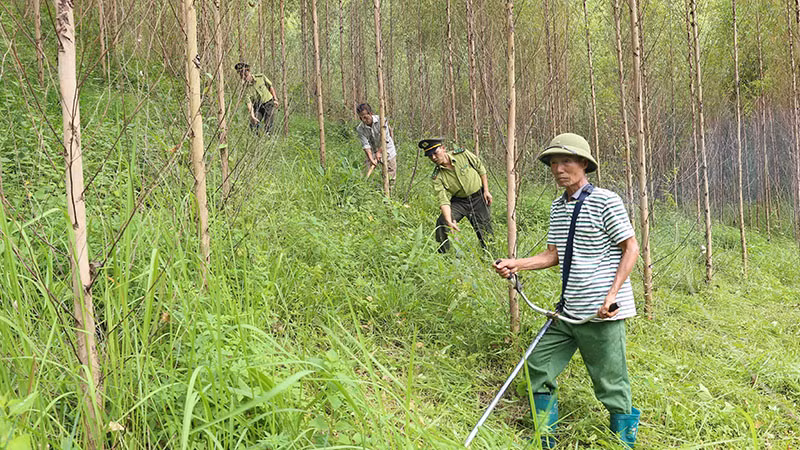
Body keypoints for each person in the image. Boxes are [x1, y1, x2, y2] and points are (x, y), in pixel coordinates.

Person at [492, 133, 640, 448]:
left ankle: (623, 442)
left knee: (610, 383)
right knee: (538, 365)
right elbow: (553, 254)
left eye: (566, 161)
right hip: (568, 310)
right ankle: (545, 437)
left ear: (584, 164)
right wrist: (516, 263)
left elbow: (631, 248)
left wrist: (611, 296)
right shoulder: (558, 207)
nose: (559, 169)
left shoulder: (606, 201)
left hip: (601, 313)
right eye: (554, 163)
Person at [419, 138, 493, 253]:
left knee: (485, 232)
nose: (433, 158)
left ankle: (490, 256)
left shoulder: (462, 154)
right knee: (442, 221)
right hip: (459, 202)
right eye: (429, 156)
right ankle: (444, 255)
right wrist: (449, 221)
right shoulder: (436, 176)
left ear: (443, 149)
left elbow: (480, 168)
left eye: (435, 153)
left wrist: (486, 191)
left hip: (478, 197)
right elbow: (443, 200)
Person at [355, 103, 397, 184]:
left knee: (390, 174)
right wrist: (371, 158)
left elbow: (385, 138)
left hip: (388, 149)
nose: (363, 120)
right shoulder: (360, 129)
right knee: (365, 170)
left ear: (371, 114)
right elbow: (365, 145)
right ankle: (365, 187)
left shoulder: (382, 120)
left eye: (365, 117)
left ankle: (389, 193)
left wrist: (379, 152)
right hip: (373, 151)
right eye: (361, 118)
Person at [235, 62, 278, 135]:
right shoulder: (245, 88)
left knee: (268, 125)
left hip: (268, 103)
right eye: (242, 75)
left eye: (245, 74)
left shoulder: (261, 77)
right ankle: (255, 139)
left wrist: (275, 99)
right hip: (257, 106)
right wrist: (252, 115)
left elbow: (270, 86)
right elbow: (249, 103)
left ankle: (268, 138)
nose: (245, 77)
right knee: (253, 124)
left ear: (249, 72)